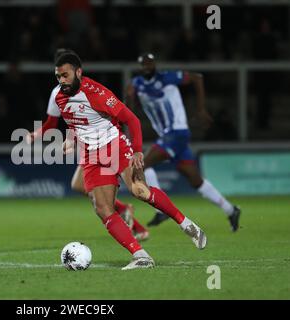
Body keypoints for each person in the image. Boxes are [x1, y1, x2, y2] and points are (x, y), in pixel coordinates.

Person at [48, 51, 207, 270]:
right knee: (103, 209)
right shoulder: (59, 96)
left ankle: (186, 224)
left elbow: (131, 119)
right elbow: (77, 123)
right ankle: (141, 256)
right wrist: (70, 140)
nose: (61, 81)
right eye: (58, 77)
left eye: (65, 75)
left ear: (78, 72)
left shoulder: (97, 93)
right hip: (92, 155)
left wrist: (138, 151)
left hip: (114, 145)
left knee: (139, 190)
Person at [26, 49, 149, 241]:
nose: (61, 76)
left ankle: (132, 222)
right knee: (80, 186)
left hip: (102, 143)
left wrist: (41, 134)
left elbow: (84, 117)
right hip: (89, 143)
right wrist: (59, 136)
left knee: (93, 192)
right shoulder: (58, 93)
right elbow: (62, 121)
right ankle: (127, 215)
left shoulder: (83, 89)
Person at [125, 53, 241, 231]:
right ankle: (231, 209)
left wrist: (201, 109)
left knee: (143, 163)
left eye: (150, 62)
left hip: (177, 133)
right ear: (140, 67)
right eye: (144, 64)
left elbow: (197, 78)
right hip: (168, 135)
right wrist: (130, 97)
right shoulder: (137, 84)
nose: (147, 66)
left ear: (155, 64)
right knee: (195, 180)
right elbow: (130, 111)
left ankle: (160, 207)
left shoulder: (167, 78)